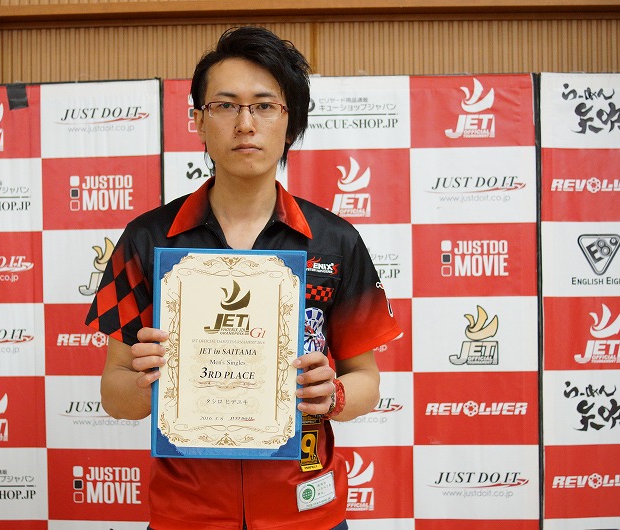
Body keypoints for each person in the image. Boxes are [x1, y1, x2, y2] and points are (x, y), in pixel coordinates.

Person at [85, 26, 401, 530]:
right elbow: (113, 391)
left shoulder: (334, 241)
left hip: (306, 513)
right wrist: (151, 384)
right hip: (187, 515)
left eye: (265, 106)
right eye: (225, 106)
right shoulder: (148, 239)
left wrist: (334, 394)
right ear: (198, 120)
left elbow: (367, 380)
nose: (245, 124)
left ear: (290, 123)